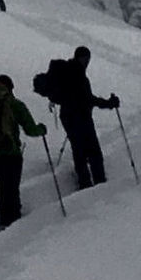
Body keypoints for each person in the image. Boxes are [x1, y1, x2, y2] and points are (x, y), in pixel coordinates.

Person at [0, 74, 49, 228]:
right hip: (11, 152)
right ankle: (13, 222)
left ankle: (5, 218)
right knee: (12, 187)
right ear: (10, 88)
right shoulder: (14, 104)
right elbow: (30, 129)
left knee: (4, 183)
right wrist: (42, 129)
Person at [50, 45, 120, 189]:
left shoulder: (66, 72)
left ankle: (85, 183)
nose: (88, 63)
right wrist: (108, 103)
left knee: (78, 150)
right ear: (82, 58)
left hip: (68, 116)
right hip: (80, 117)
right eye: (87, 59)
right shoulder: (78, 75)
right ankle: (98, 183)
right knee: (93, 151)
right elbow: (88, 99)